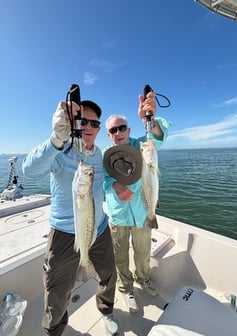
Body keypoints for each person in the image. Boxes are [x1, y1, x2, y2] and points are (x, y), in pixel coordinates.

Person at [22, 99, 119, 336]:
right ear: (74, 123)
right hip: (64, 233)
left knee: (109, 274)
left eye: (94, 123)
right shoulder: (61, 151)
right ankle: (54, 329)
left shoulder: (100, 155)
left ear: (98, 129)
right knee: (57, 290)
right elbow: (29, 171)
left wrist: (117, 184)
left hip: (99, 227)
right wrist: (56, 139)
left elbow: (108, 178)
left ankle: (106, 311)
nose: (88, 126)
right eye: (82, 120)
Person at [102, 91, 170, 314]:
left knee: (142, 252)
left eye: (122, 128)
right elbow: (101, 181)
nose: (118, 132)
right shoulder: (103, 155)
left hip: (142, 213)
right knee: (120, 255)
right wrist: (114, 185)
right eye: (113, 130)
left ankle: (143, 278)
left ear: (129, 131)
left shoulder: (141, 144)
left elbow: (157, 139)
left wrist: (148, 119)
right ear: (108, 134)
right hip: (118, 215)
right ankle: (126, 288)